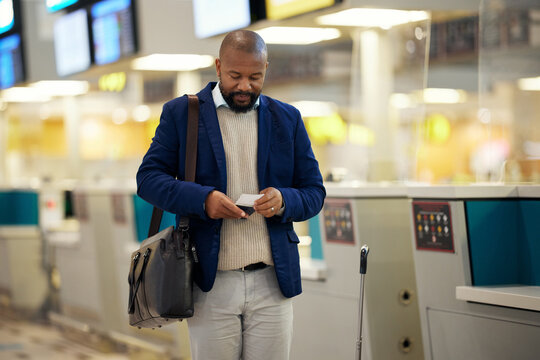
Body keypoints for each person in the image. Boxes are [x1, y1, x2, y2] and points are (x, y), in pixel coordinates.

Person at [136, 30, 325, 360]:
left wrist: (284, 200)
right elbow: (148, 179)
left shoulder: (287, 119)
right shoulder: (182, 114)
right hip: (211, 281)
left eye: (255, 77)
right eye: (235, 76)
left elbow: (313, 192)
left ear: (267, 68)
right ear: (218, 66)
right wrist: (203, 199)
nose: (244, 86)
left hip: (272, 282)